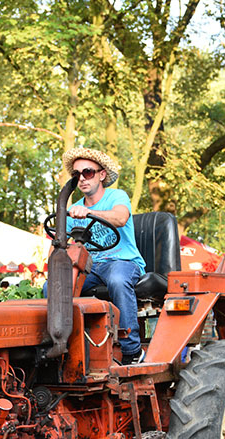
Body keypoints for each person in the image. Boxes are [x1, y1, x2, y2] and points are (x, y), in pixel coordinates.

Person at [62, 146, 147, 363]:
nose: (82, 178)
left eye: (88, 172)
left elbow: (121, 218)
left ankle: (132, 351)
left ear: (101, 175)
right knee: (55, 286)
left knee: (117, 280)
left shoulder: (116, 196)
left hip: (122, 261)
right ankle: (66, 347)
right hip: (92, 267)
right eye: (77, 174)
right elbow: (68, 243)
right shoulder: (73, 209)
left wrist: (89, 213)